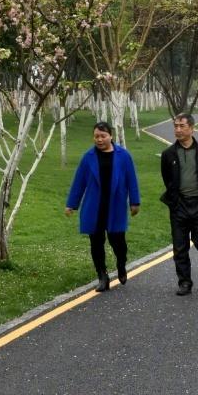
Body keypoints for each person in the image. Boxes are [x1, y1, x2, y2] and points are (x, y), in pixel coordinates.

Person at [65, 122, 140, 291]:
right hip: (94, 207)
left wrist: (135, 202)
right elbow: (79, 182)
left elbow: (132, 180)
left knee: (118, 242)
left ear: (111, 136)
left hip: (115, 205)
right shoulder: (88, 157)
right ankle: (102, 276)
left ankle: (121, 264)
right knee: (96, 243)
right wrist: (71, 204)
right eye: (96, 136)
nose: (99, 139)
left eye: (103, 136)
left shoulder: (123, 156)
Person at [160, 113, 198, 296]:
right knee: (180, 247)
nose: (178, 130)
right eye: (175, 126)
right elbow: (167, 179)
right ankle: (185, 282)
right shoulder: (168, 154)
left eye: (182, 126)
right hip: (179, 206)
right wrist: (175, 202)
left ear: (192, 128)